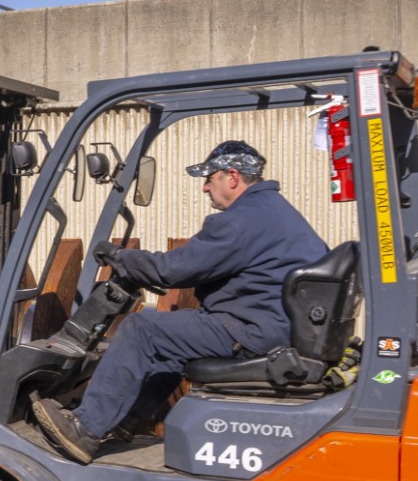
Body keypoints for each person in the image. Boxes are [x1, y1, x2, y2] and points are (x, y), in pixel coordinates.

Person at [32, 140, 326, 464]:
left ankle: (84, 428)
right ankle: (130, 418)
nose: (204, 188)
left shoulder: (242, 219)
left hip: (255, 330)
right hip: (275, 325)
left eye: (208, 178)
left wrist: (122, 258)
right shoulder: (274, 211)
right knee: (173, 339)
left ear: (232, 176)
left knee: (142, 328)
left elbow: (175, 270)